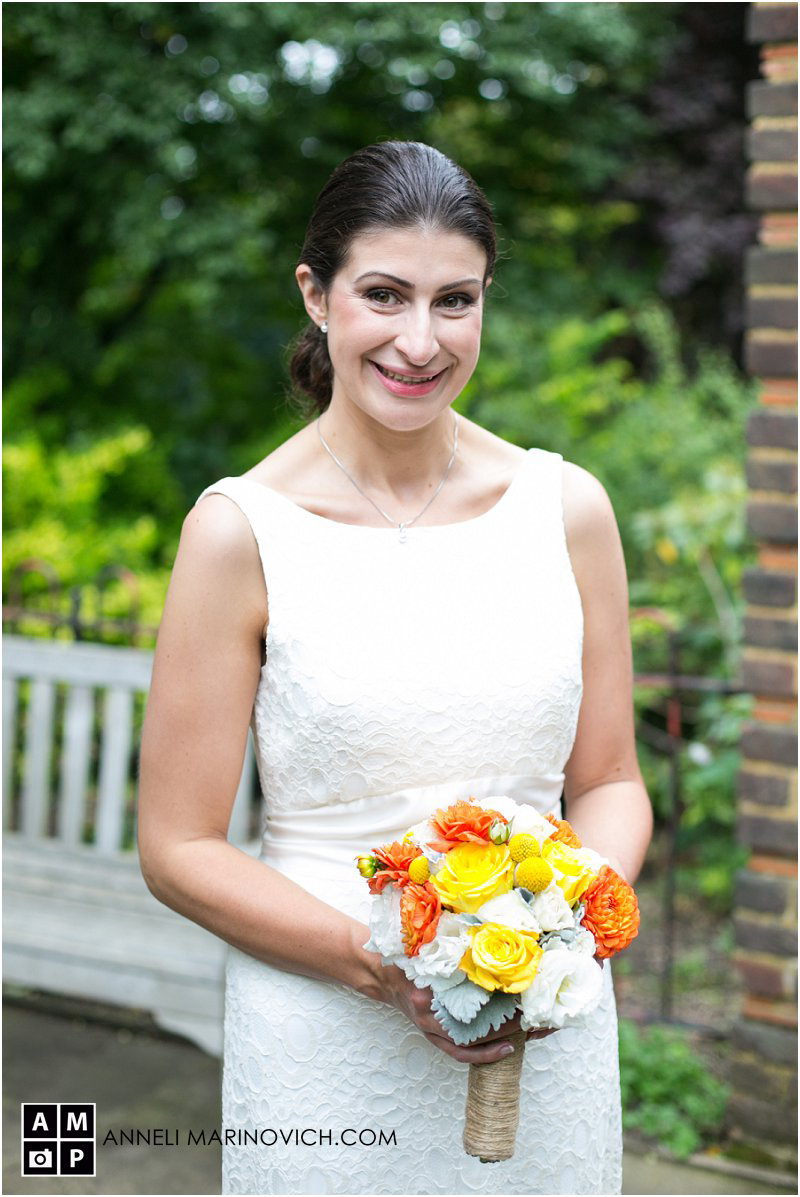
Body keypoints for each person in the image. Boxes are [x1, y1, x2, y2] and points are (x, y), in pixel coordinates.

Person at [137, 140, 653, 1195]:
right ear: (315, 295)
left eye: (453, 301)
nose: (420, 341)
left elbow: (606, 781)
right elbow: (179, 845)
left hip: (541, 1029)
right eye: (383, 295)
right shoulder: (240, 533)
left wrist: (557, 931)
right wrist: (380, 968)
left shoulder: (567, 511)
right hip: (321, 1034)